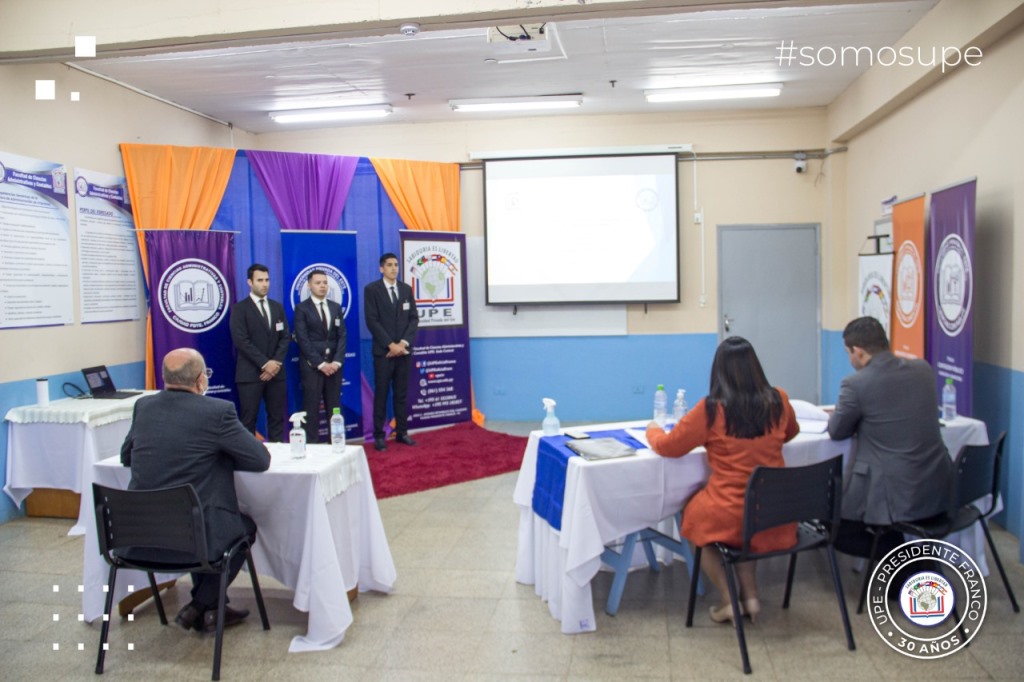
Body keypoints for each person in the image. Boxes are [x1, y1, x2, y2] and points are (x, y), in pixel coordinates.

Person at [646, 336, 799, 624]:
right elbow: (790, 432)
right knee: (743, 529)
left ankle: (730, 599)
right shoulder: (779, 399)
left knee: (692, 522)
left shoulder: (711, 409)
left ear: (719, 372)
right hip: (775, 513)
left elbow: (669, 447)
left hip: (730, 509)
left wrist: (652, 430)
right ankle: (750, 596)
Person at [120, 348, 271, 633]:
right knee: (240, 527)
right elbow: (260, 460)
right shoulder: (217, 412)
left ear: (164, 378)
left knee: (198, 517)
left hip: (138, 534)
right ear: (201, 380)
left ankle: (208, 607)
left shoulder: (144, 407)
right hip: (193, 534)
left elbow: (126, 456)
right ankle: (202, 604)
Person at [827, 316, 953, 558]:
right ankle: (909, 565)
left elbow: (837, 431)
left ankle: (907, 565)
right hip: (936, 489)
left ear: (859, 352)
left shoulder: (855, 384)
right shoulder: (923, 369)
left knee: (836, 530)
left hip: (894, 495)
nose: (850, 359)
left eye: (848, 353)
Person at [364, 252, 419, 451]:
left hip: (403, 351)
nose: (394, 268)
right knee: (382, 393)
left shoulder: (405, 289)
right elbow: (372, 321)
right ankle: (379, 435)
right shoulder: (372, 290)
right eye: (389, 265)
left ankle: (402, 432)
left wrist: (403, 343)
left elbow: (413, 318)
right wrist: (390, 345)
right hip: (384, 352)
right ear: (381, 269)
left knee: (401, 394)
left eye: (396, 264)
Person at [229, 263, 290, 442]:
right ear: (249, 282)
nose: (265, 284)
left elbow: (285, 337)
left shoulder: (277, 307)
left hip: (276, 374)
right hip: (250, 374)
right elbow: (241, 341)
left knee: (277, 418)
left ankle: (278, 456)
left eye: (267, 280)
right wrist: (265, 364)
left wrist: (275, 363)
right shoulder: (240, 309)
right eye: (260, 280)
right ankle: (249, 460)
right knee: (249, 420)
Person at [293, 269, 346, 443]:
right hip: (312, 367)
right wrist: (321, 364)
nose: (322, 286)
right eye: (318, 283)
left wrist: (337, 362)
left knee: (334, 408)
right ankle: (312, 447)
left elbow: (342, 336)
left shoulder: (335, 307)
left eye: (325, 282)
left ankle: (335, 445)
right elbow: (302, 339)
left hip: (334, 368)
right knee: (311, 408)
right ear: (309, 286)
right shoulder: (302, 309)